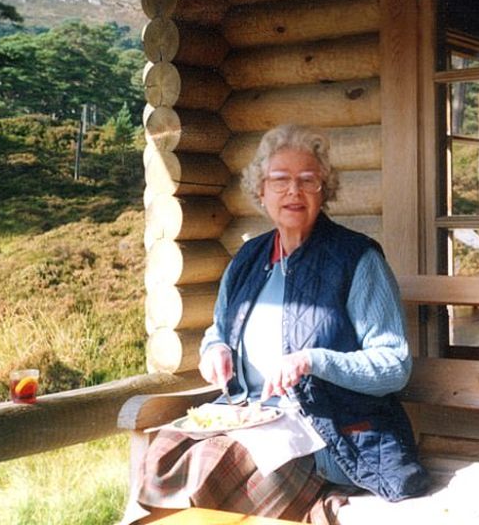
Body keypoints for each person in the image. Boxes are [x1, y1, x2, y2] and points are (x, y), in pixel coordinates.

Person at [127, 124, 428, 524]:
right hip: (246, 415)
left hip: (327, 428)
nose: (293, 192)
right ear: (261, 191)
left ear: (325, 191)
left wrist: (313, 360)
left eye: (308, 181)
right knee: (164, 450)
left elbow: (394, 365)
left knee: (213, 463)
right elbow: (219, 330)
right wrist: (214, 350)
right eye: (280, 180)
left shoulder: (357, 260)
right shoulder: (248, 260)